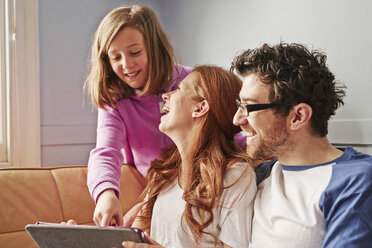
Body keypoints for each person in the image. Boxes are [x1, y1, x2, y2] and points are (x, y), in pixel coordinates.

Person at [230, 43, 372, 247]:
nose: (237, 119)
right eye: (239, 105)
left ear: (298, 116)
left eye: (248, 107)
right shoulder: (261, 174)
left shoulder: (356, 181)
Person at [125, 65, 257, 247]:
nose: (165, 96)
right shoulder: (165, 173)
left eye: (179, 89)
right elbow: (131, 239)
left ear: (200, 108)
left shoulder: (235, 175)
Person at [85, 5, 193, 227]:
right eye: (116, 57)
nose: (127, 65)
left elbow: (229, 134)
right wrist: (106, 194)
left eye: (135, 53)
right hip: (159, 191)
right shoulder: (115, 101)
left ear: (154, 48)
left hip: (199, 183)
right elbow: (106, 152)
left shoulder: (191, 81)